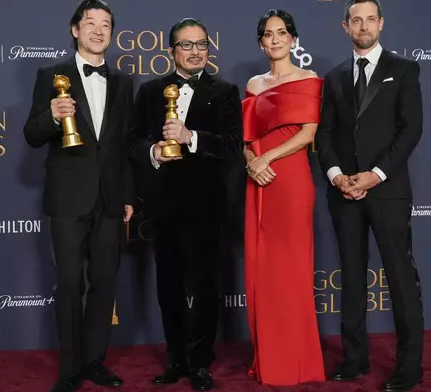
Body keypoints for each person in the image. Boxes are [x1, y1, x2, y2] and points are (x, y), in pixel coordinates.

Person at [23, 1, 134, 391]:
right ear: (75, 30)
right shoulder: (51, 74)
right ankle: (70, 369)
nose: (99, 30)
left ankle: (95, 362)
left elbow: (124, 147)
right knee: (69, 284)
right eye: (90, 23)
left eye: (106, 24)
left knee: (105, 284)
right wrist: (52, 116)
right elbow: (32, 135)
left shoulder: (123, 82)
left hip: (109, 200)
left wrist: (128, 196)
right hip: (67, 199)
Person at [127, 17, 243, 392]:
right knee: (169, 285)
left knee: (207, 285)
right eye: (187, 45)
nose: (195, 52)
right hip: (163, 206)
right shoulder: (149, 92)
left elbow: (230, 146)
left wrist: (191, 137)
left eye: (202, 44)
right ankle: (176, 357)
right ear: (171, 51)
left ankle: (201, 361)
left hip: (208, 205)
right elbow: (132, 143)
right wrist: (155, 151)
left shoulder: (225, 91)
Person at [315, 1, 424, 391]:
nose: (363, 26)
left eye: (370, 19)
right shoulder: (335, 77)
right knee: (353, 278)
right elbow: (323, 135)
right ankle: (355, 358)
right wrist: (337, 176)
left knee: (400, 277)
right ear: (346, 26)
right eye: (355, 20)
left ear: (381, 24)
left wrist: (374, 176)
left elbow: (410, 130)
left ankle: (410, 366)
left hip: (387, 190)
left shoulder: (404, 69)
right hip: (344, 191)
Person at [242, 9, 326, 387]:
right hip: (257, 180)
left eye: (281, 33)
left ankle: (298, 361)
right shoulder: (253, 84)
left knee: (291, 272)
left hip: (290, 179)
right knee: (263, 271)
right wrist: (251, 164)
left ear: (293, 39)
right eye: (267, 34)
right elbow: (245, 139)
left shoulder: (308, 79)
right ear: (260, 42)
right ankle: (269, 359)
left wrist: (265, 159)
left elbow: (308, 134)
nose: (274, 40)